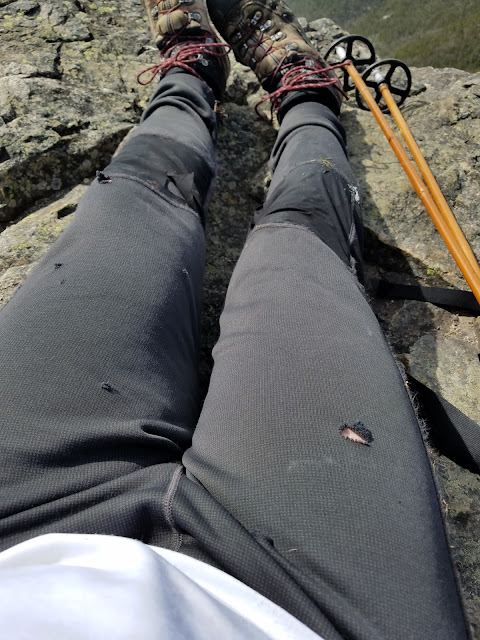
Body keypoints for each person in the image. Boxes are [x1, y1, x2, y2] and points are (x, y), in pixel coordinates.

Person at [0, 0, 471, 638]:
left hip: (16, 528)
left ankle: (191, 76)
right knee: (301, 235)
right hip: (322, 611)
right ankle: (307, 103)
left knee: (142, 181)